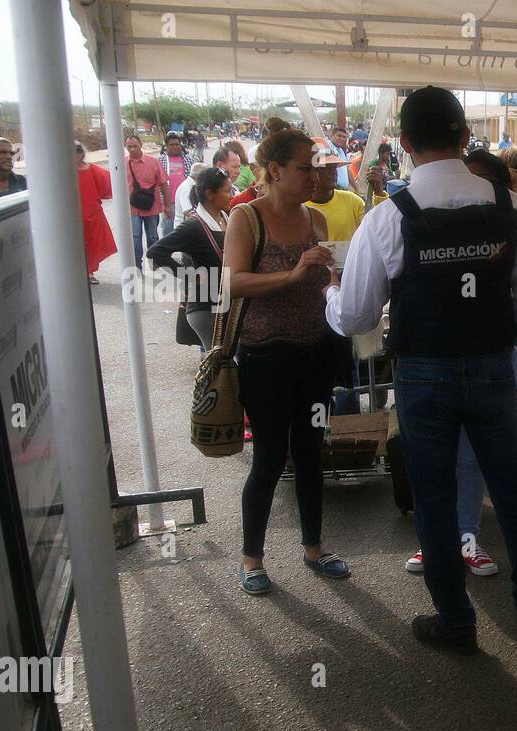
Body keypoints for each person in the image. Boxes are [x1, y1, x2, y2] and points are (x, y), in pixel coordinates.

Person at [324, 86, 517, 654]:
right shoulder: (512, 208)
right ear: (464, 137)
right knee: (510, 489)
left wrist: (328, 296)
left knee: (431, 497)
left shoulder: (386, 218)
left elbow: (354, 316)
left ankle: (454, 620)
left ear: (403, 144)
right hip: (491, 368)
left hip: (422, 373)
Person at [221, 118, 349, 596]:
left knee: (312, 453)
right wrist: (294, 275)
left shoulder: (315, 220)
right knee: (270, 458)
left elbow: (322, 280)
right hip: (266, 357)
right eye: (304, 169)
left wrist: (338, 281)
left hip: (313, 353)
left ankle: (315, 547)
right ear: (273, 170)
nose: (314, 177)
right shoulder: (246, 218)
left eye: (316, 169)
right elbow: (230, 282)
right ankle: (251, 558)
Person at [304, 139, 365, 416]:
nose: (330, 174)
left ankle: (347, 420)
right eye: (324, 168)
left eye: (334, 168)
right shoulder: (301, 210)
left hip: (348, 289)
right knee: (318, 360)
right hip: (312, 294)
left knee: (345, 360)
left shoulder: (351, 201)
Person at [147, 167, 231, 349]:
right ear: (210, 194)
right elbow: (155, 252)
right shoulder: (193, 226)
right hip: (205, 307)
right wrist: (190, 276)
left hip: (225, 301)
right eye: (226, 191)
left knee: (225, 363)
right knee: (217, 363)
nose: (231, 195)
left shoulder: (226, 217)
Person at [125, 134, 170, 268]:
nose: (132, 149)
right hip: (132, 209)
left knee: (152, 237)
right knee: (135, 237)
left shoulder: (153, 162)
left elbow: (163, 184)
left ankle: (153, 261)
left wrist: (167, 206)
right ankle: (137, 264)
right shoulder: (122, 163)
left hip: (152, 207)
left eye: (135, 146)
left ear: (141, 145)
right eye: (129, 147)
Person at [75, 142, 117, 284]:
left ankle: (89, 272)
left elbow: (107, 185)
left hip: (93, 214)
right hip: (72, 217)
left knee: (92, 244)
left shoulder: (92, 170)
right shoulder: (63, 172)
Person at [158, 132, 191, 231]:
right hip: (169, 203)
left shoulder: (188, 159)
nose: (175, 147)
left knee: (186, 231)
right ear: (166, 146)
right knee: (168, 232)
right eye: (171, 145)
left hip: (186, 201)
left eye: (177, 144)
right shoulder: (160, 160)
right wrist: (165, 204)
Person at [173, 162, 206, 229]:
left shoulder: (192, 185)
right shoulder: (187, 188)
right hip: (184, 229)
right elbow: (188, 212)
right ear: (200, 176)